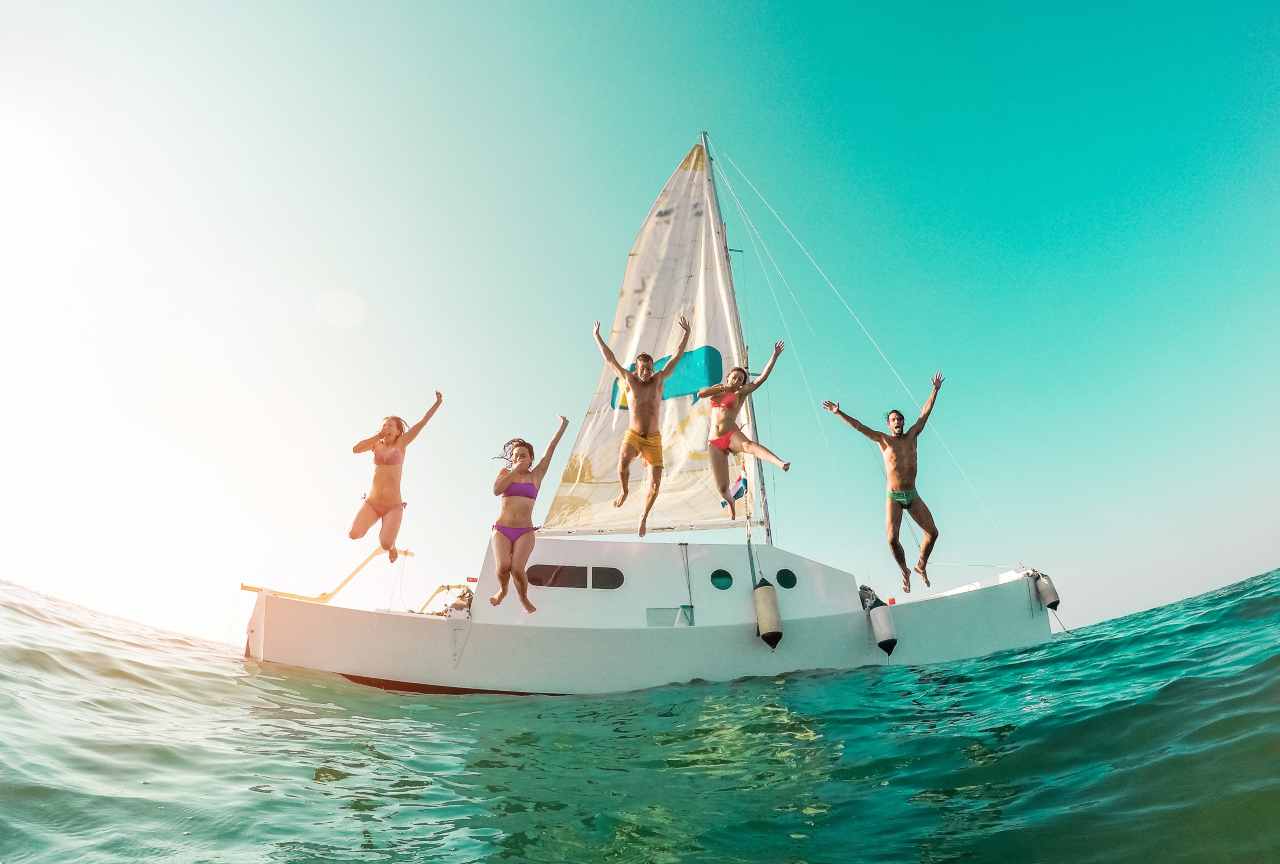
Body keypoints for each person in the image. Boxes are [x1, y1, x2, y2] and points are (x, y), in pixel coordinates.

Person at [822, 372, 944, 593]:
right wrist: (839, 412)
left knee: (933, 533)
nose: (897, 422)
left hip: (912, 494)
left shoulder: (912, 435)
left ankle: (920, 565)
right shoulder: (883, 440)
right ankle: (904, 570)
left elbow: (924, 414)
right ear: (889, 424)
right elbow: (859, 426)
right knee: (891, 539)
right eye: (893, 420)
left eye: (900, 419)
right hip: (894, 496)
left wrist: (934, 390)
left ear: (903, 422)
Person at [592, 316, 691, 537]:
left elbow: (677, 357)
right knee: (623, 463)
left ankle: (643, 516)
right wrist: (597, 337)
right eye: (643, 368)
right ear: (636, 369)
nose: (646, 372)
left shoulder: (659, 379)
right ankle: (624, 491)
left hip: (653, 439)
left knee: (655, 485)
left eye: (649, 368)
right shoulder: (629, 380)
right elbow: (610, 359)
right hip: (634, 435)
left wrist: (686, 334)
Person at [697, 341, 791, 519]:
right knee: (722, 488)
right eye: (735, 377)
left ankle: (780, 463)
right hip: (714, 442)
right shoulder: (718, 390)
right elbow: (701, 394)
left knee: (748, 445)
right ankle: (730, 501)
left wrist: (774, 356)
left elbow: (761, 378)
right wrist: (724, 387)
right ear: (728, 377)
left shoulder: (740, 394)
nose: (737, 381)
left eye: (740, 379)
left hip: (730, 434)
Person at [349, 392, 443, 563]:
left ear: (399, 431)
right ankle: (387, 540)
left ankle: (392, 547)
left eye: (391, 425)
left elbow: (422, 422)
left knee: (385, 544)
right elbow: (356, 449)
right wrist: (378, 436)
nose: (387, 428)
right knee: (354, 534)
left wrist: (437, 403)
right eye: (385, 425)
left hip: (392, 506)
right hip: (372, 503)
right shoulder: (376, 444)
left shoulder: (402, 444)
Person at [490, 415, 570, 613]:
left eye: (523, 455)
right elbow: (496, 490)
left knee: (517, 569)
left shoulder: (536, 475)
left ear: (530, 458)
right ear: (512, 459)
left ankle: (524, 598)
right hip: (502, 529)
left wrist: (563, 426)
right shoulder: (505, 473)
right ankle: (502, 590)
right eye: (516, 455)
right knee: (503, 567)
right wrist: (514, 471)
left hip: (524, 531)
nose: (519, 458)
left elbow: (551, 449)